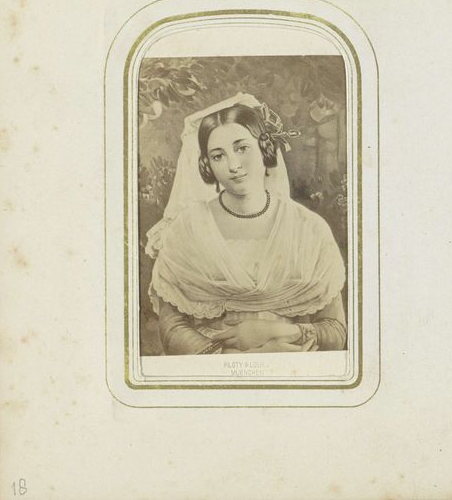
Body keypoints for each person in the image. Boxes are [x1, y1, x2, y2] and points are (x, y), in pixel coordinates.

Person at [145, 93, 346, 355]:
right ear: (207, 166)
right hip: (212, 370)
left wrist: (273, 333)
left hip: (290, 363)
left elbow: (335, 331)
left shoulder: (309, 228)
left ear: (264, 149)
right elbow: (172, 329)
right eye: (218, 156)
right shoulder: (186, 229)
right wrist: (235, 357)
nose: (234, 165)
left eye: (242, 148)